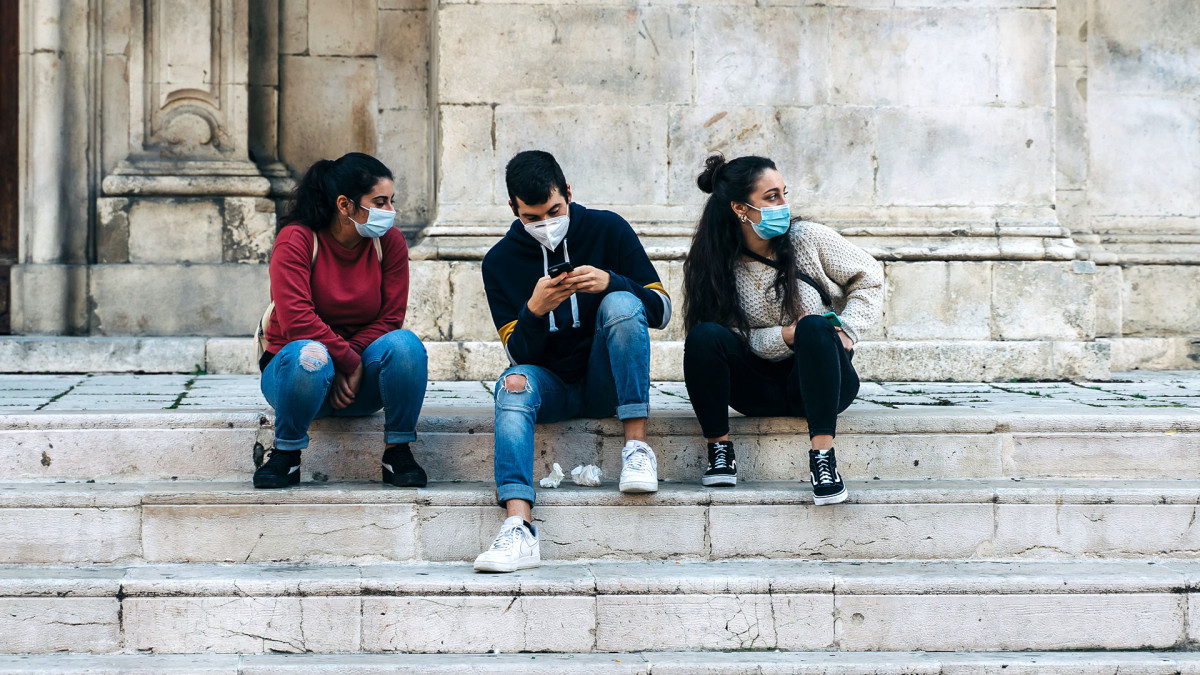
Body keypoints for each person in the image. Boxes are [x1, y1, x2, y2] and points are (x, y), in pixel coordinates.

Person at [473, 150, 672, 572]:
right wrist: (534, 311)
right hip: (552, 387)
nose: (546, 223)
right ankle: (519, 527)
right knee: (512, 383)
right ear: (513, 209)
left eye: (554, 210)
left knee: (621, 303)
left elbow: (662, 311)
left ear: (568, 192)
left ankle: (637, 449)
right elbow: (519, 357)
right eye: (531, 217)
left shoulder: (608, 228)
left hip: (607, 382)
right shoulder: (499, 262)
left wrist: (612, 281)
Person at [681, 154, 883, 504]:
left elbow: (870, 277)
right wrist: (783, 337)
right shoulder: (713, 263)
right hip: (754, 388)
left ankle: (823, 460)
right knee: (703, 336)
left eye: (783, 194)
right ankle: (720, 452)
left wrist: (847, 332)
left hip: (821, 382)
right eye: (771, 197)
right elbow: (729, 334)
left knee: (814, 326)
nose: (783, 205)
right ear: (740, 208)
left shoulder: (807, 238)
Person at [254, 152, 429, 489]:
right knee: (311, 354)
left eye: (391, 201)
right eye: (379, 202)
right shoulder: (297, 238)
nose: (390, 211)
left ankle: (398, 452)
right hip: (297, 380)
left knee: (406, 346)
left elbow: (391, 318)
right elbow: (297, 320)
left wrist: (352, 365)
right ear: (345, 205)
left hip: (357, 386)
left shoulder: (389, 242)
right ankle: (286, 454)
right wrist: (346, 361)